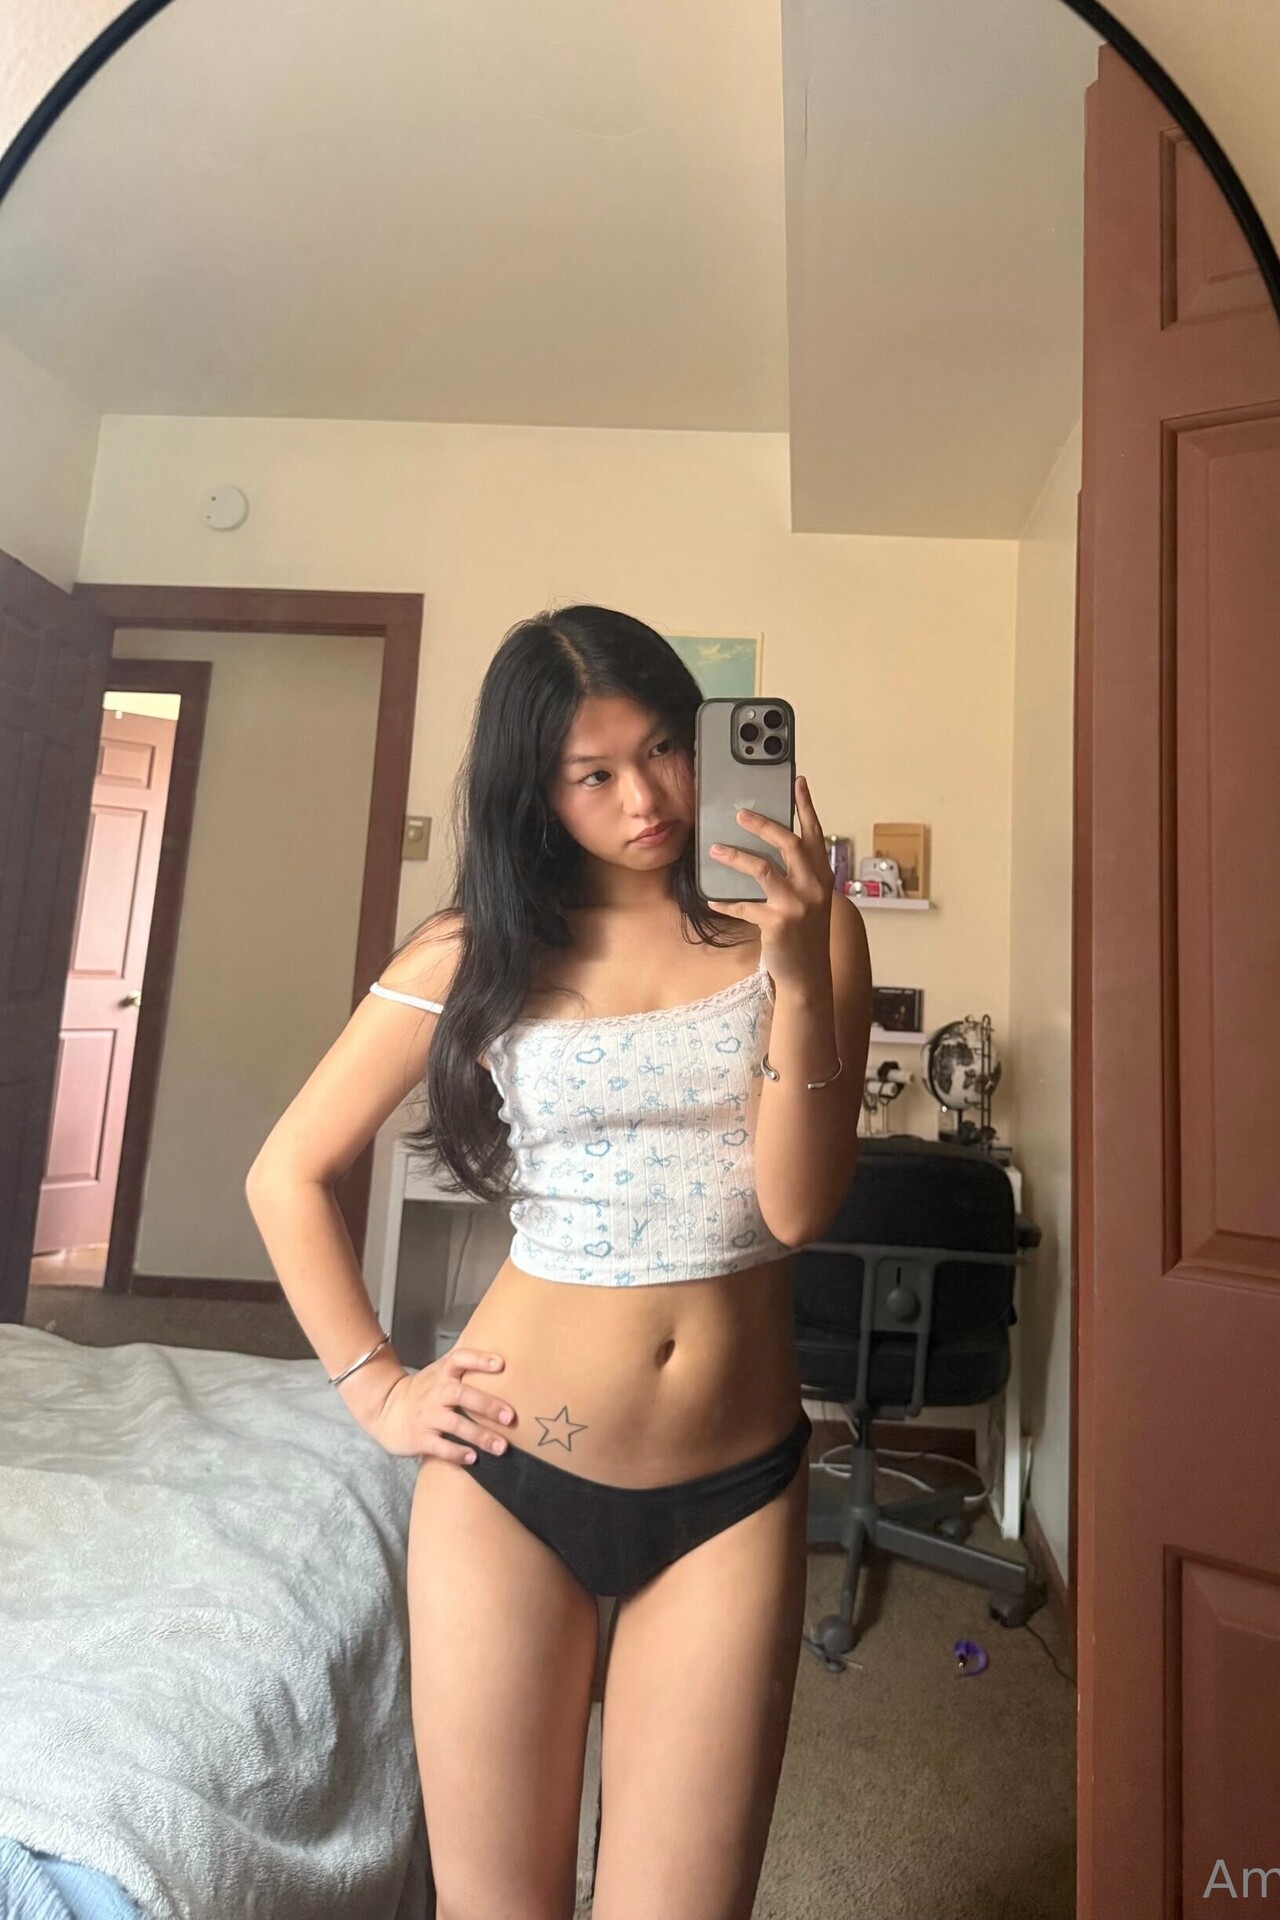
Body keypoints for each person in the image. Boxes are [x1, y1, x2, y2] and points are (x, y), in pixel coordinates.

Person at [245, 604, 871, 1920]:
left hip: (735, 1493)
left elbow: (798, 1208)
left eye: (664, 750)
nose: (645, 800)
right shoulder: (474, 948)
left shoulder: (802, 931)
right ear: (536, 789)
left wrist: (801, 973)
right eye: (594, 774)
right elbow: (286, 1173)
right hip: (505, 1483)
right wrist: (376, 1389)